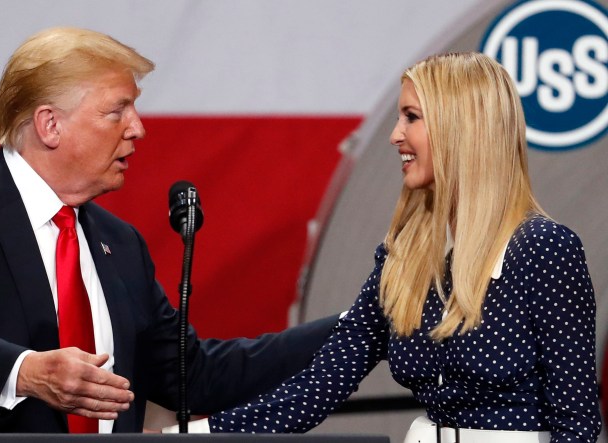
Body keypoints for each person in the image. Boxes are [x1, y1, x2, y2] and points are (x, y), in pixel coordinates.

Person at [0, 27, 338, 443]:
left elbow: (194, 375)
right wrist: (26, 372)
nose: (138, 129)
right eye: (117, 111)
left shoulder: (120, 244)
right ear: (50, 125)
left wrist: (359, 323)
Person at [204, 52, 602, 442]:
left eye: (411, 117)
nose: (395, 135)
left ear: (460, 128)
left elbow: (577, 424)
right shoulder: (404, 254)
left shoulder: (545, 249)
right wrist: (190, 436)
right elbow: (316, 387)